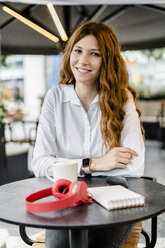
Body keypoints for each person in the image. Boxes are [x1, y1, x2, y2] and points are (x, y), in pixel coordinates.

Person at [31, 21, 144, 248]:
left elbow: (134, 168)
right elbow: (40, 164)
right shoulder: (55, 98)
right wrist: (95, 164)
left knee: (95, 243)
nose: (83, 61)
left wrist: (67, 167)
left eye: (94, 54)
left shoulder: (122, 98)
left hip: (113, 205)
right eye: (78, 51)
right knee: (59, 245)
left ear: (107, 60)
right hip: (66, 202)